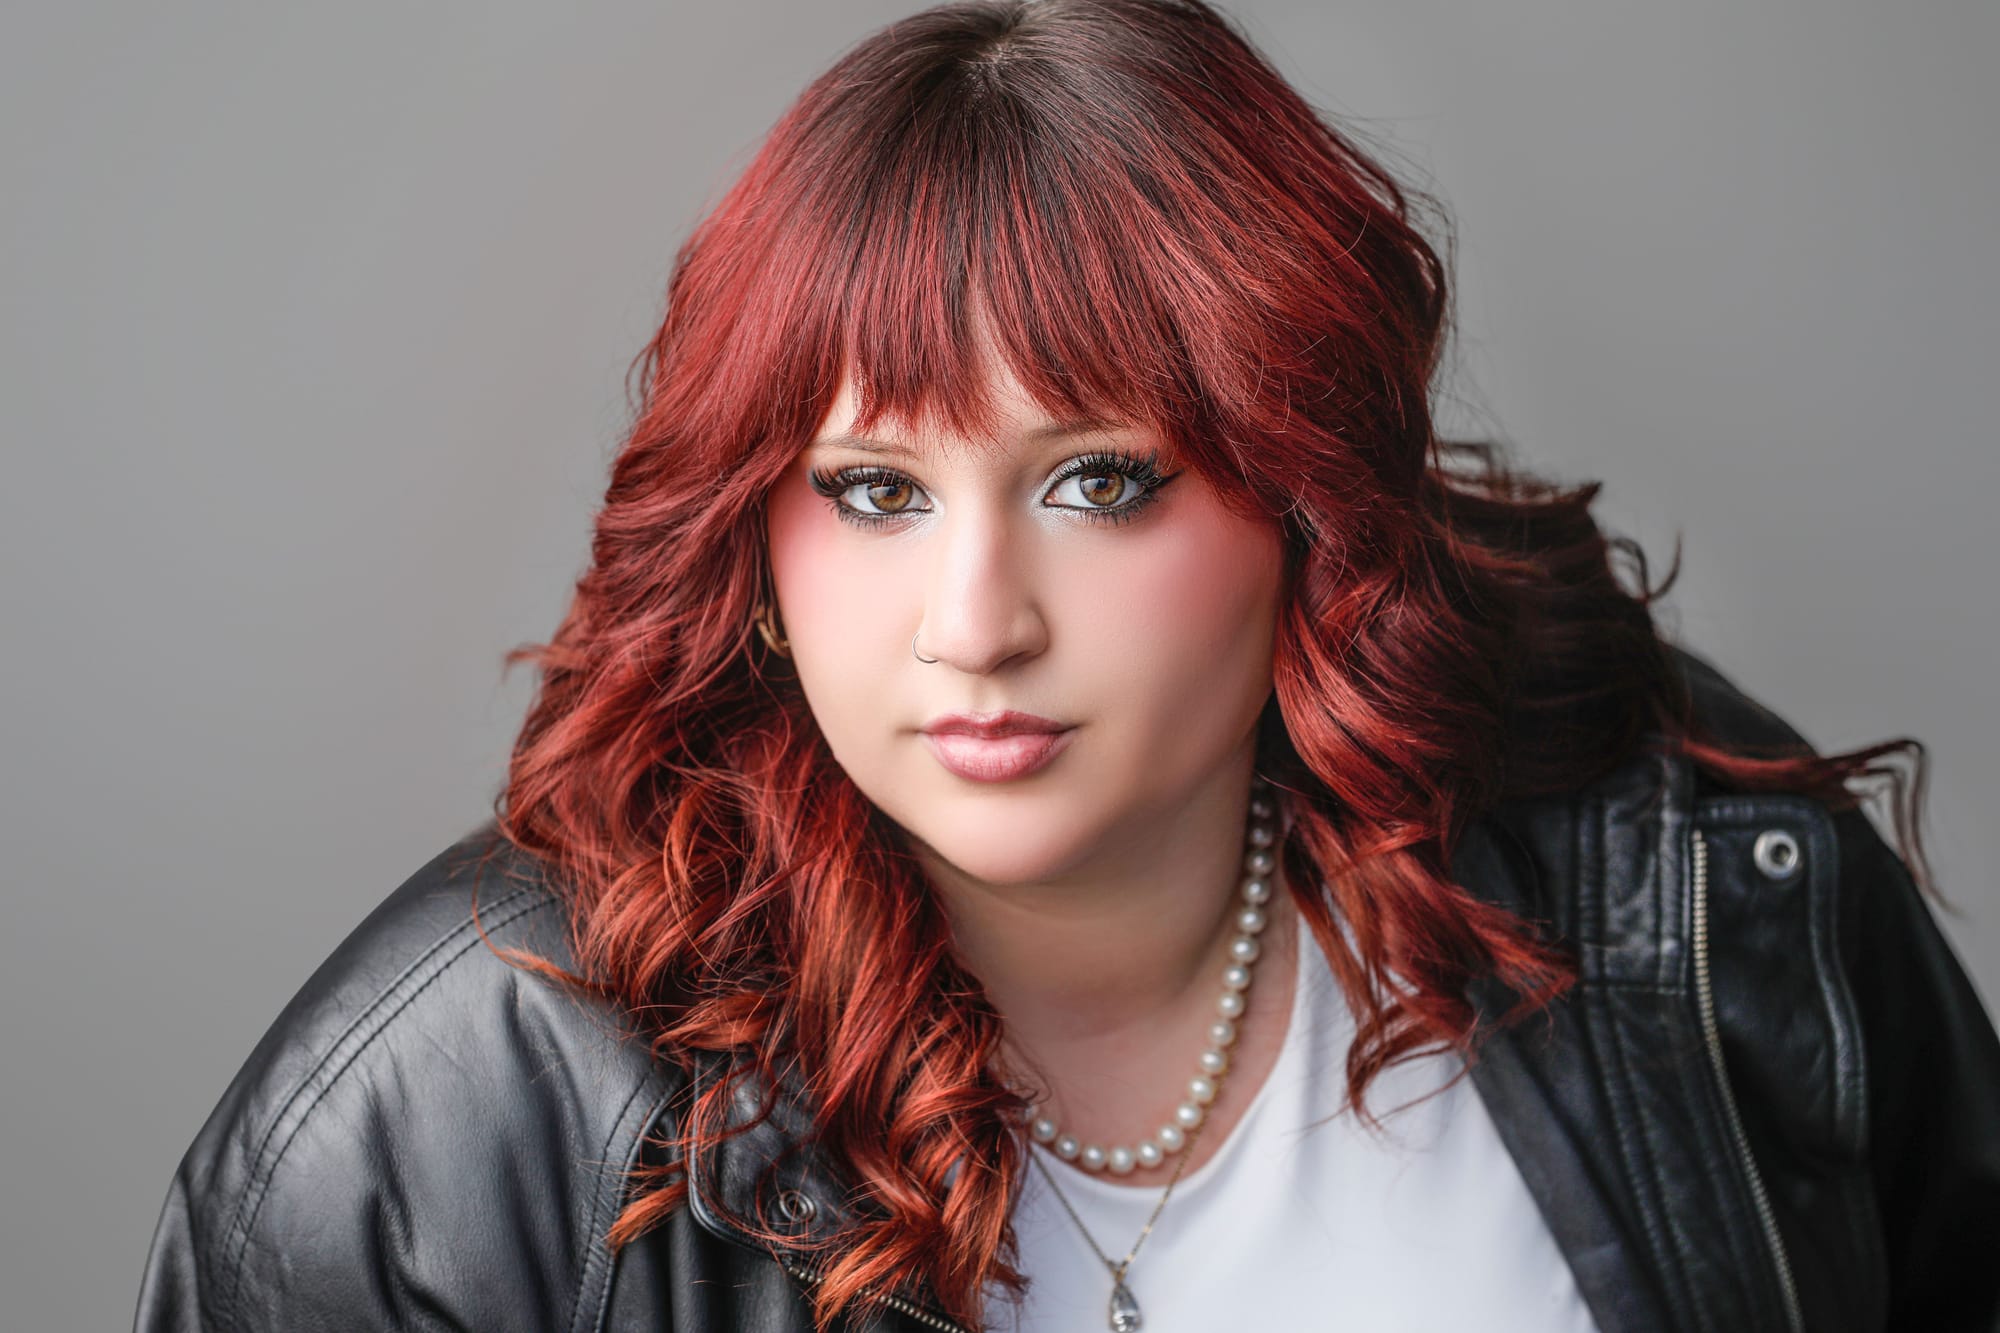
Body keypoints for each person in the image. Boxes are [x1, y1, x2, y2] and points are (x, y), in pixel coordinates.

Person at [133, 1, 2000, 1330]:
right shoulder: (454, 1110)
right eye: (872, 491)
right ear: (752, 542)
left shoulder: (1675, 864)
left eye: (1100, 480)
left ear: (1308, 499)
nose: (976, 621)